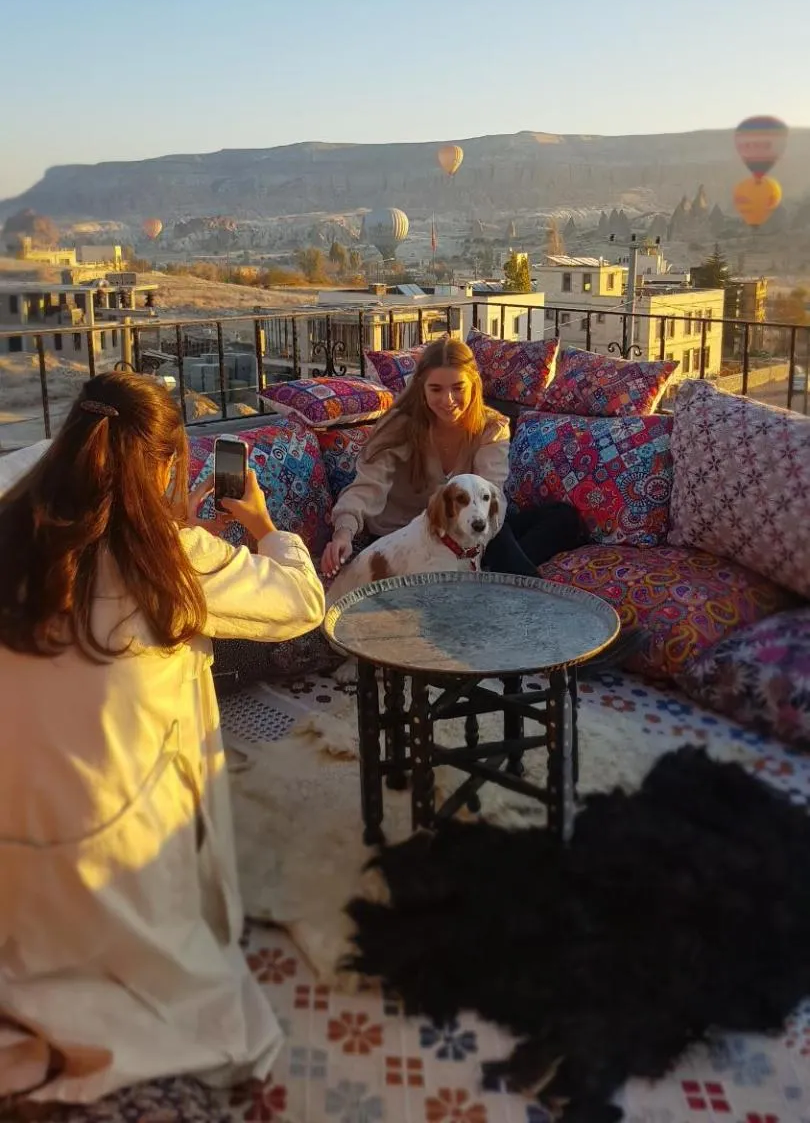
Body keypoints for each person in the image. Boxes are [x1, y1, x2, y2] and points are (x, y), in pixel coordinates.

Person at [0, 372, 325, 1107]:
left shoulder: (15, 532)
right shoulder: (172, 560)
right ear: (169, 464)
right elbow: (302, 602)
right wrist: (264, 526)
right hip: (122, 846)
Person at [321, 338, 584, 580]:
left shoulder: (491, 427)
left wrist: (476, 543)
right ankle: (525, 585)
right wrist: (343, 532)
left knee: (563, 518)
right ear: (422, 387)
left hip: (464, 530)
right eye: (436, 389)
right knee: (503, 540)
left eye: (458, 388)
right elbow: (367, 487)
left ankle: (488, 570)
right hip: (408, 539)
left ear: (473, 385)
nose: (448, 400)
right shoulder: (400, 426)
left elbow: (493, 493)